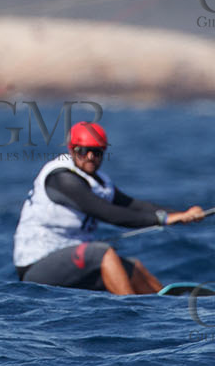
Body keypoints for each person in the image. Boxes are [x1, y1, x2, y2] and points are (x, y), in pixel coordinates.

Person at [13, 121, 204, 294]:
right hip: (35, 267)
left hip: (70, 259)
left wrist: (181, 214)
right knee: (103, 253)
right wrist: (164, 219)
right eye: (82, 151)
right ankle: (132, 312)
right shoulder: (62, 179)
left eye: (96, 152)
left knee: (133, 268)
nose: (90, 157)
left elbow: (133, 205)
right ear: (71, 151)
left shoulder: (100, 181)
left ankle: (164, 312)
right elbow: (108, 213)